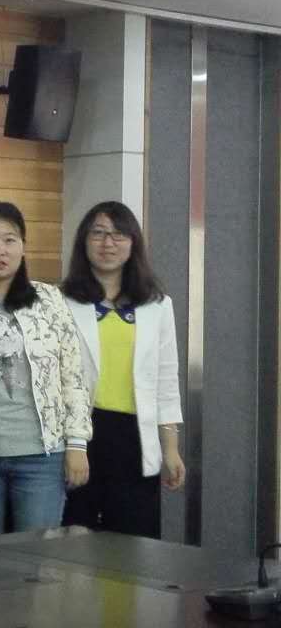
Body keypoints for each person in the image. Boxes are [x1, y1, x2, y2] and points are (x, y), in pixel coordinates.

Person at [0, 201, 90, 536]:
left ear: (23, 246)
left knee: (37, 556)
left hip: (41, 456)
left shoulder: (49, 299)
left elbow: (73, 374)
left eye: (10, 240)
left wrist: (77, 444)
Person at [60, 201, 185, 538]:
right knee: (76, 538)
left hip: (136, 435)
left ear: (133, 243)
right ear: (84, 242)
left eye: (118, 235)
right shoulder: (61, 301)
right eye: (98, 233)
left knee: (135, 540)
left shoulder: (158, 305)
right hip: (81, 434)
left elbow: (166, 380)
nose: (108, 243)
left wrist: (170, 449)